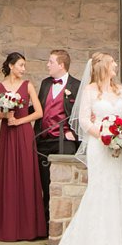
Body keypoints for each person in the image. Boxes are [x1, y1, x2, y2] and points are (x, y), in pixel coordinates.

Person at [0, 51, 122, 245]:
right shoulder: (83, 89)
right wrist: (104, 135)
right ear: (104, 67)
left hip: (116, 150)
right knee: (97, 192)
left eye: (51, 61)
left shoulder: (119, 89)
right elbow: (83, 119)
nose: (117, 66)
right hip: (97, 144)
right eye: (114, 63)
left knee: (116, 193)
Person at [0, 52, 47, 241]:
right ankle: (8, 226)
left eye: (24, 65)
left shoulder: (28, 85)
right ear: (11, 66)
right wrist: (5, 116)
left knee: (26, 175)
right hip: (7, 135)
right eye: (21, 65)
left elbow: (39, 112)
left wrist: (20, 121)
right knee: (8, 176)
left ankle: (29, 228)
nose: (24, 69)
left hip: (23, 133)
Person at [34, 49, 81, 221]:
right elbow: (39, 108)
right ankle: (47, 222)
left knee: (64, 183)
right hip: (43, 139)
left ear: (61, 65)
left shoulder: (76, 86)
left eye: (51, 62)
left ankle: (64, 220)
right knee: (45, 183)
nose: (47, 65)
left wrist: (72, 133)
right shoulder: (46, 83)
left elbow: (81, 113)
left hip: (63, 140)